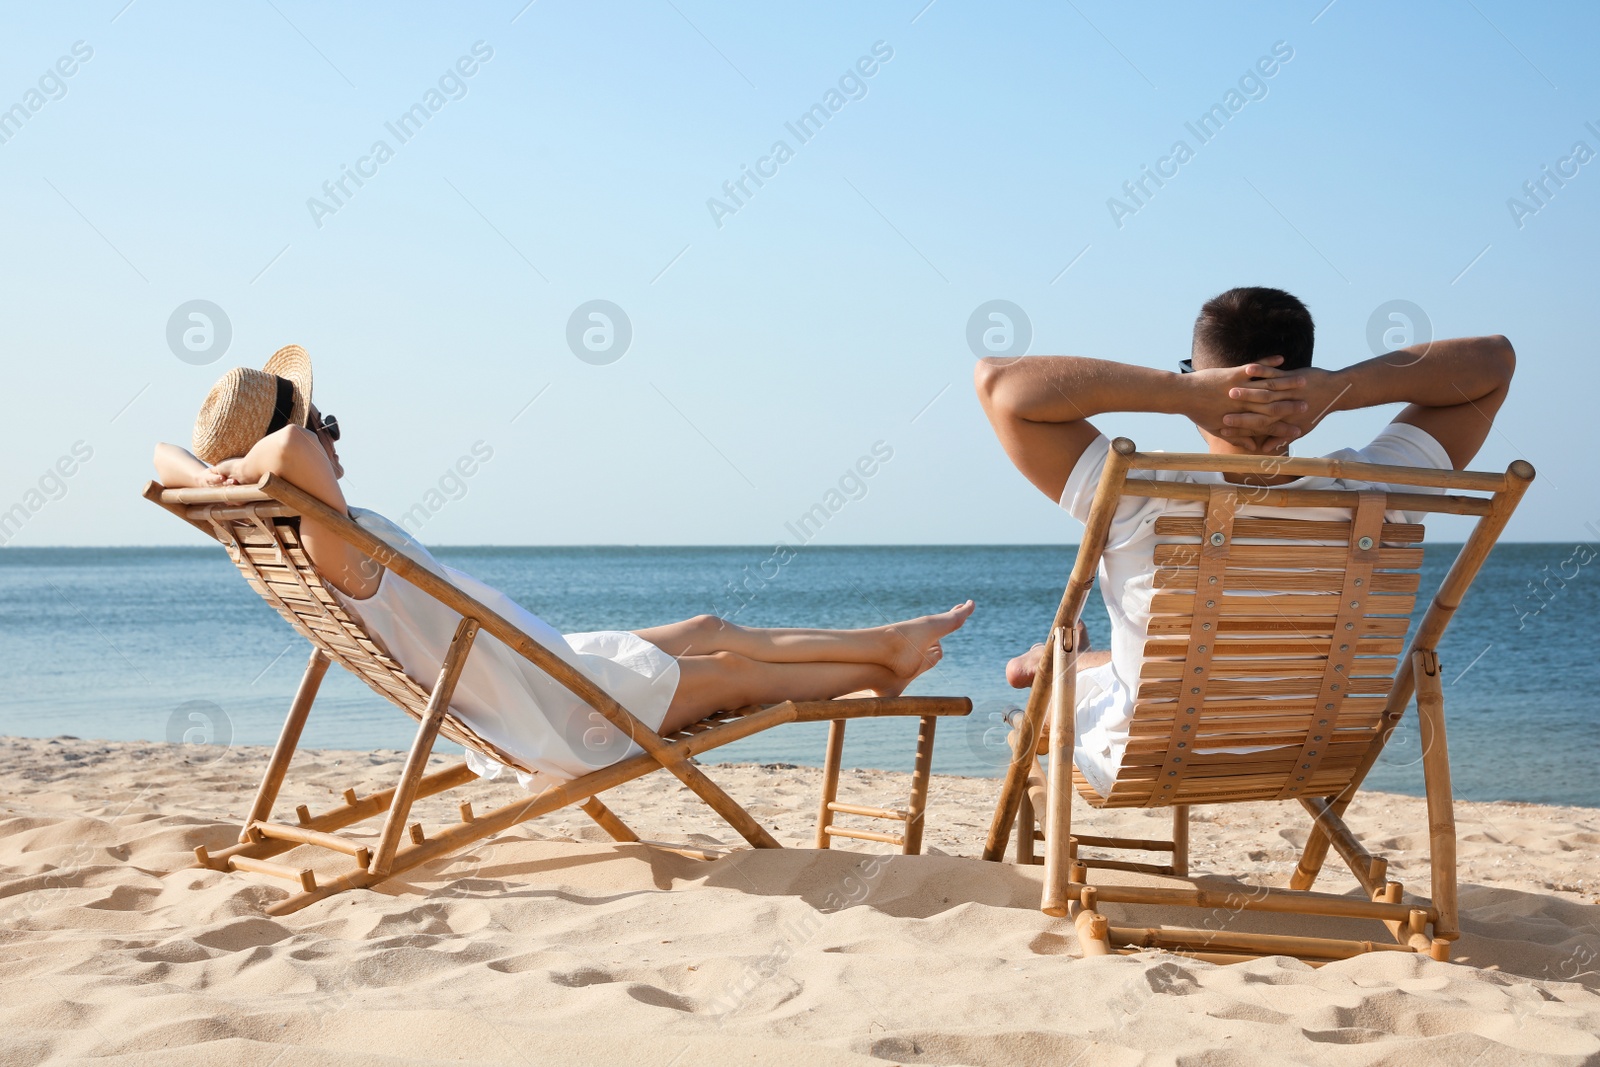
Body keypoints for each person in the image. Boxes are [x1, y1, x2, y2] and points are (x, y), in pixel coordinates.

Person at [156, 345, 973, 789]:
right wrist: (261, 464)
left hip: (535, 662)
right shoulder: (326, 534)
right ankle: (882, 662)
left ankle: (888, 644)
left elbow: (163, 460)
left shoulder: (301, 529)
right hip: (548, 711)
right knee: (729, 668)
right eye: (324, 420)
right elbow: (290, 447)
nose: (331, 433)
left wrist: (217, 475)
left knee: (709, 630)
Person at [973, 287, 1515, 796]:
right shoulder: (1377, 489)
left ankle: (1056, 661)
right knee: (1119, 667)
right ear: (1310, 381)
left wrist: (1176, 393)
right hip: (1307, 759)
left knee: (1058, 698)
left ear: (1198, 377)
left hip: (1146, 759)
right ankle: (1066, 660)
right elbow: (1493, 362)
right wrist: (1340, 390)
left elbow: (999, 382)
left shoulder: (1138, 493)